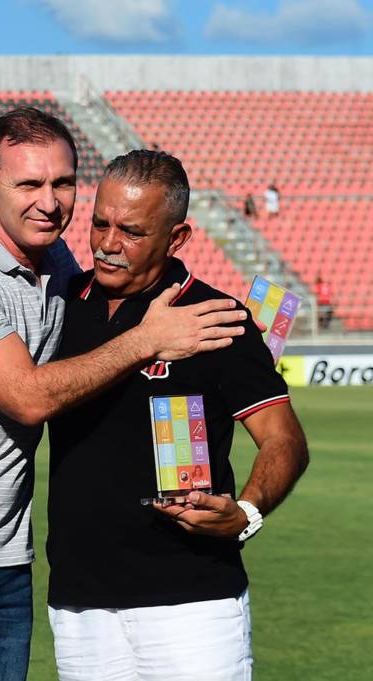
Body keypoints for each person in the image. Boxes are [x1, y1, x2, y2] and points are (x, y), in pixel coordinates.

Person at [0, 108, 246, 681]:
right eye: (28, 183)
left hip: (5, 563)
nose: (49, 203)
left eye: (63, 183)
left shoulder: (59, 263)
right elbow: (29, 398)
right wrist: (147, 338)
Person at [46, 150, 309, 681]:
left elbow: (284, 440)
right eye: (100, 223)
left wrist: (248, 512)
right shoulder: (56, 304)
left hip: (192, 605)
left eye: (132, 232)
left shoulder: (219, 319)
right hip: (78, 606)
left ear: (177, 237)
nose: (107, 244)